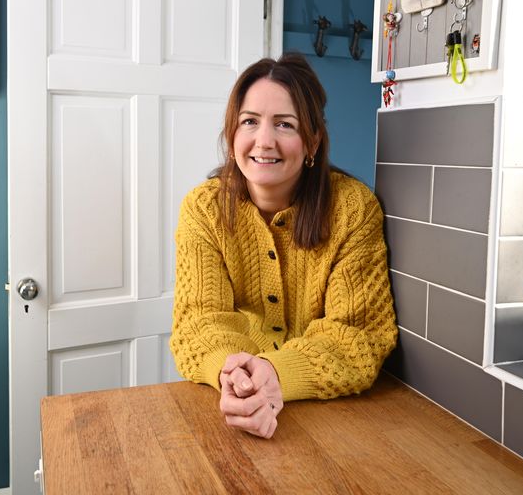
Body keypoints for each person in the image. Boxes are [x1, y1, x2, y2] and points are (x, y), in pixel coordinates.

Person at [170, 53, 398, 439]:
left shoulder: (352, 210)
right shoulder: (204, 210)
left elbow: (359, 334)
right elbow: (199, 321)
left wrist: (277, 373)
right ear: (232, 135)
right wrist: (235, 375)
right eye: (249, 122)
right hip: (232, 404)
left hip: (334, 417)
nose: (264, 141)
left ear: (312, 142)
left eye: (284, 125)